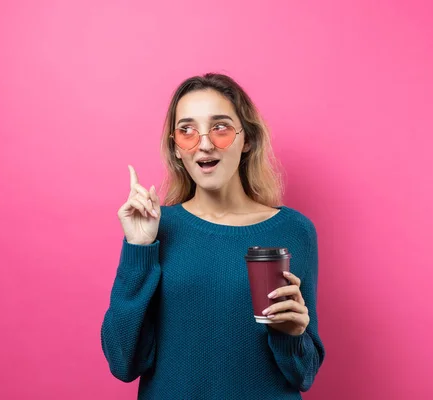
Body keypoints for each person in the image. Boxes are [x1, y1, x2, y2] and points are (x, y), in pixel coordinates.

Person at [100, 73, 325, 399]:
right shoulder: (157, 229)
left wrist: (291, 335)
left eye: (220, 127)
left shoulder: (294, 230)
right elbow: (122, 362)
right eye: (187, 131)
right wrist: (138, 249)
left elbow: (304, 375)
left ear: (246, 139)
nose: (204, 143)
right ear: (176, 148)